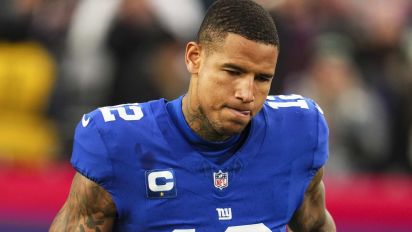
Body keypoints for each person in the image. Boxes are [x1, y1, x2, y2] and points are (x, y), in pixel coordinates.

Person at [50, 0, 336, 231]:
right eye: (233, 72)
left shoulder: (298, 133)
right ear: (193, 58)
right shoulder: (118, 142)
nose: (247, 93)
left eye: (262, 78)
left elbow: (316, 223)